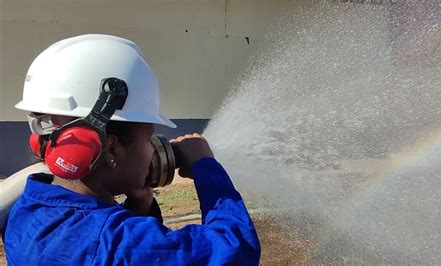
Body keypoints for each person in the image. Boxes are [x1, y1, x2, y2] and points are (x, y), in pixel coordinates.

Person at [2, 34, 260, 265]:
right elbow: (235, 252)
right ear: (112, 148)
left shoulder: (27, 211)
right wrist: (206, 168)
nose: (154, 150)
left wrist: (140, 206)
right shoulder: (112, 243)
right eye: (149, 139)